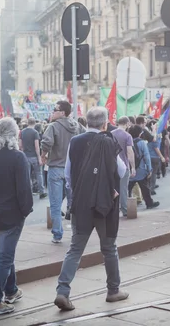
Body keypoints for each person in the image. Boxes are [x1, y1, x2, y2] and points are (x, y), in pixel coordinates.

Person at [54, 107, 128, 311]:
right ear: (105, 124)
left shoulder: (75, 142)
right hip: (105, 205)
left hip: (81, 204)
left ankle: (62, 291)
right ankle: (113, 290)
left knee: (75, 249)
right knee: (109, 249)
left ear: (86, 123)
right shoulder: (109, 140)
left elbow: (67, 175)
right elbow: (122, 171)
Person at [0, 118, 33, 316]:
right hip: (12, 214)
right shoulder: (18, 157)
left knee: (4, 253)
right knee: (4, 257)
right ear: (15, 133)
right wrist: (26, 210)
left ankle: (11, 291)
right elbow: (24, 190)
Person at [40, 100, 85, 244]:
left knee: (55, 203)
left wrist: (43, 156)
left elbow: (46, 143)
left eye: (55, 109)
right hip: (73, 169)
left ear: (62, 113)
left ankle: (57, 234)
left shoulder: (53, 126)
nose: (52, 112)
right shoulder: (78, 126)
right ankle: (77, 232)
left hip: (56, 168)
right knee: (75, 203)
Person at [127, 125, 160, 209]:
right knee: (145, 188)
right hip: (141, 170)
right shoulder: (141, 142)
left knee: (127, 189)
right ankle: (149, 203)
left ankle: (126, 205)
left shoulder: (127, 142)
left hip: (130, 170)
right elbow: (146, 156)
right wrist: (149, 169)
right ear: (139, 133)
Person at [112, 117, 136, 217]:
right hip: (124, 166)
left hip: (112, 166)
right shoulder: (127, 136)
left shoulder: (111, 133)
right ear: (127, 124)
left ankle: (114, 209)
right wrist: (133, 167)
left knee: (113, 188)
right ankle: (125, 210)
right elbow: (130, 152)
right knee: (123, 189)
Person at [20, 118, 46, 200]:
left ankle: (29, 192)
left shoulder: (22, 132)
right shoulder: (35, 133)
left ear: (27, 123)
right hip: (34, 156)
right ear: (34, 123)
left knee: (27, 176)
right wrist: (39, 158)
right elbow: (37, 146)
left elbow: (20, 146)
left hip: (25, 156)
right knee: (39, 174)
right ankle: (41, 192)